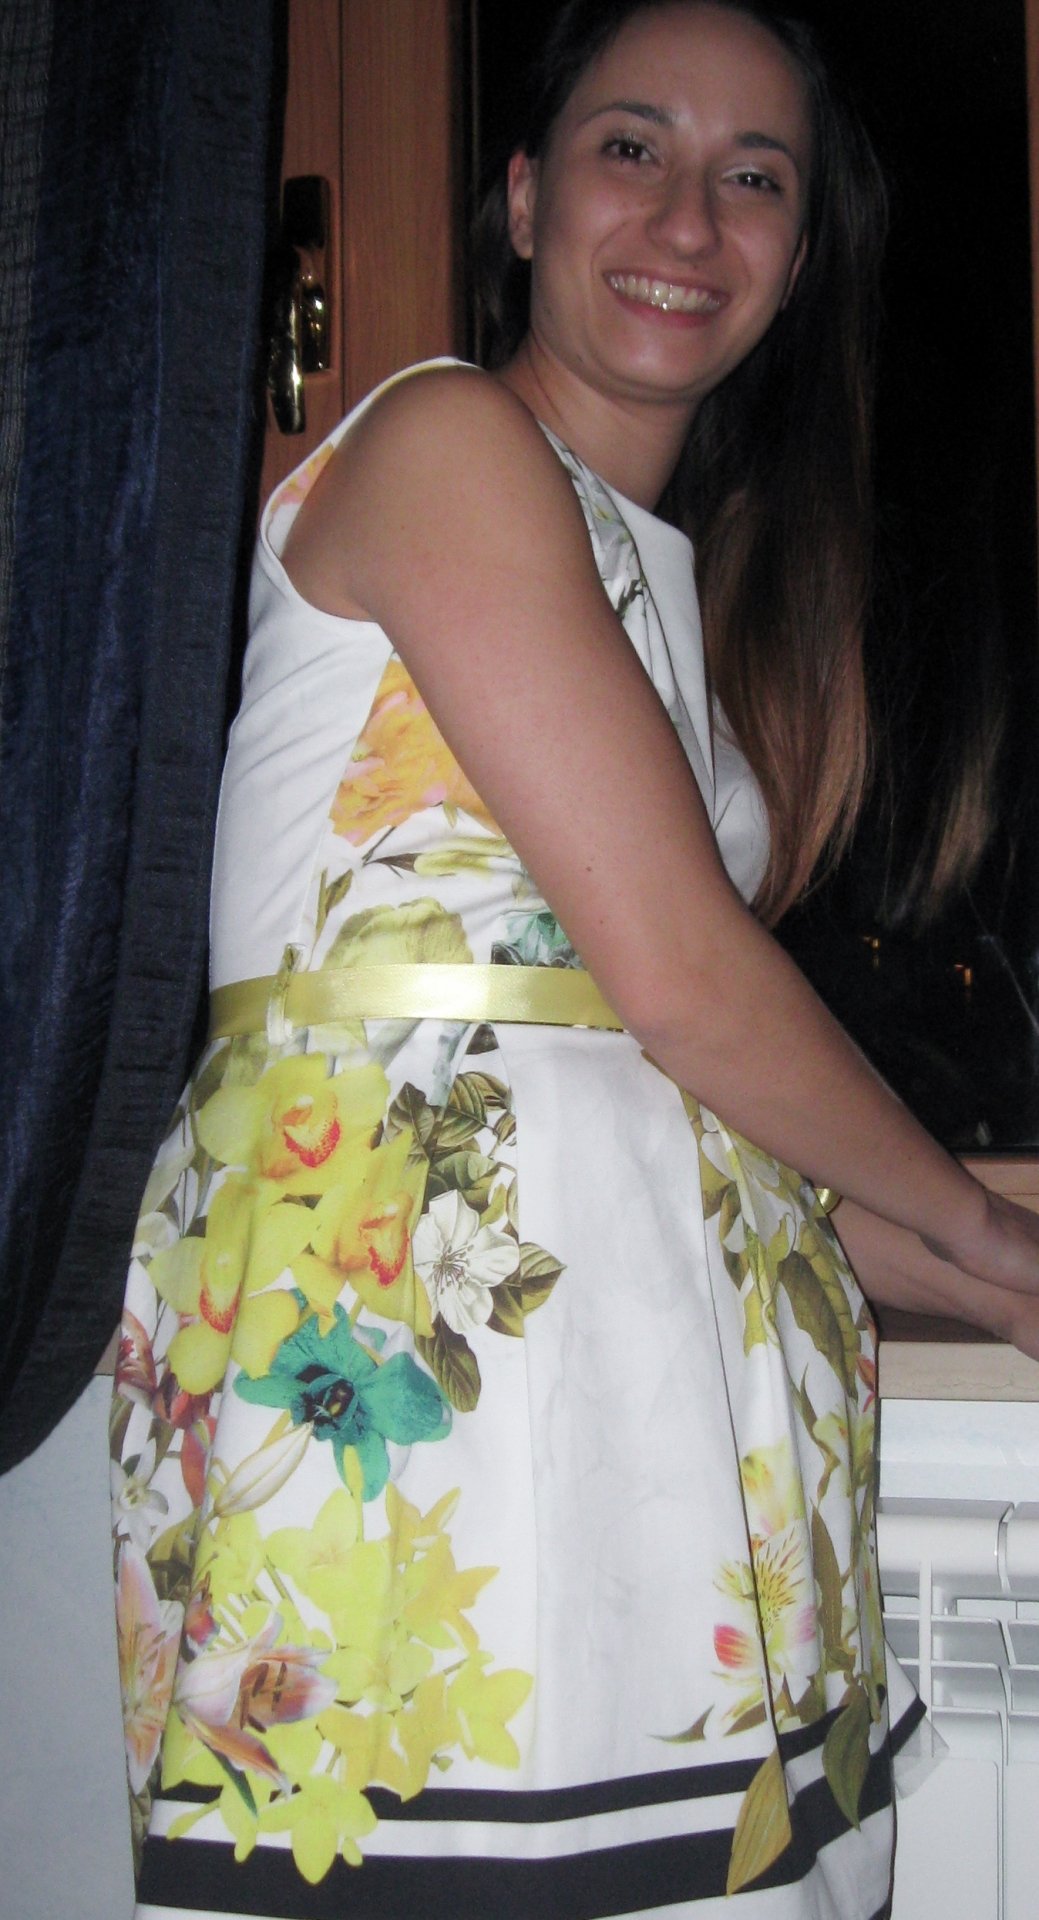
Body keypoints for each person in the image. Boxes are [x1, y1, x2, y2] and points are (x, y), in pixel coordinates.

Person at [110, 4, 1039, 1916]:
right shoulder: (444, 441)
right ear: (524, 199)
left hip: (655, 1375)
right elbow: (684, 988)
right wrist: (983, 1221)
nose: (690, 219)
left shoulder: (674, 584)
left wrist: (979, 1272)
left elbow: (665, 1103)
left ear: (800, 254)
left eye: (754, 178)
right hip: (432, 1378)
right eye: (635, 147)